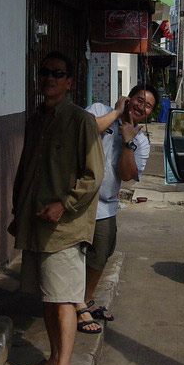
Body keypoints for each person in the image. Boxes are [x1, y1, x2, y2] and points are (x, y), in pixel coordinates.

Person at [10, 51, 104, 365]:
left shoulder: (80, 121)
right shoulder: (37, 120)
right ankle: (52, 360)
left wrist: (64, 204)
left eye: (57, 73)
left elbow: (94, 175)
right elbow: (26, 170)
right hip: (35, 224)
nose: (49, 78)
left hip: (64, 227)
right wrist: (18, 211)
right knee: (48, 297)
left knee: (65, 299)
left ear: (69, 82)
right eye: (45, 72)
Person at [74, 84, 158, 333]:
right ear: (128, 98)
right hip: (76, 201)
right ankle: (76, 306)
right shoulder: (100, 110)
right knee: (71, 254)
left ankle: (85, 301)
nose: (141, 107)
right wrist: (116, 113)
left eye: (148, 105)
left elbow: (128, 175)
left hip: (105, 206)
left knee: (99, 256)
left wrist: (127, 141)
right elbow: (83, 132)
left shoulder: (141, 142)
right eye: (139, 100)